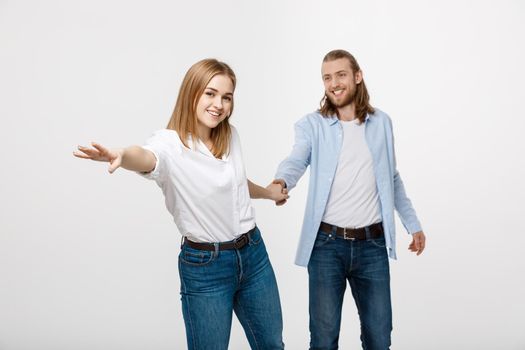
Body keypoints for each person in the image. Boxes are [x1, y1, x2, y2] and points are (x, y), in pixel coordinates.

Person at [74, 58, 287, 350]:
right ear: (192, 93)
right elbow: (147, 157)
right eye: (210, 93)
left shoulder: (230, 135)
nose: (219, 104)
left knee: (272, 345)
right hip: (206, 267)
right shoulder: (170, 145)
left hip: (254, 255)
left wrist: (269, 193)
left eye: (226, 97)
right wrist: (123, 154)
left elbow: (236, 184)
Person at [273, 50, 426, 350]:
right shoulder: (311, 125)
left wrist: (413, 223)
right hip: (327, 247)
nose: (333, 83)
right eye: (327, 78)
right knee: (323, 340)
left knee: (379, 338)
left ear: (357, 76)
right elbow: (296, 159)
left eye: (340, 75)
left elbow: (390, 178)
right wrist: (282, 181)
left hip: (373, 246)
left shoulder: (382, 122)